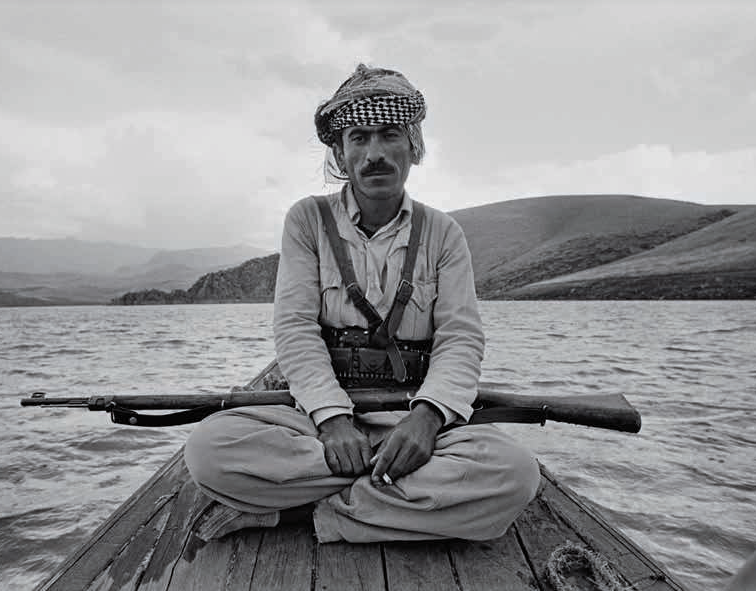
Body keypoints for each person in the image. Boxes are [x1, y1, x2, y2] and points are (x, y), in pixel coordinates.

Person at [184, 64, 540, 543]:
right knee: (209, 452)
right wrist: (333, 420)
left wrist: (426, 420)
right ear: (340, 152)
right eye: (359, 138)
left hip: (410, 414)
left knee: (514, 474)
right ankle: (396, 499)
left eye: (390, 135)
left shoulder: (444, 233)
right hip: (317, 420)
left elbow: (461, 338)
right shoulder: (307, 220)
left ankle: (301, 513)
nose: (375, 154)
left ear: (413, 146)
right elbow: (295, 330)